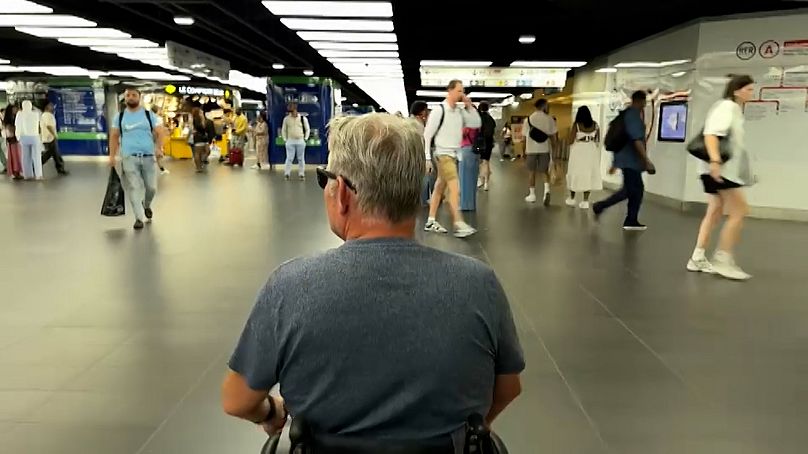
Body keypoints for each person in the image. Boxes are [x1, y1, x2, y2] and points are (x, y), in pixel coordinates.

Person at [221, 113, 524, 449]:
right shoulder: (478, 284)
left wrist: (271, 414)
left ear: (343, 194)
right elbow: (508, 388)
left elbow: (238, 399)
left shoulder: (291, 285)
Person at [687, 75, 756, 280]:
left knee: (715, 211)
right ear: (736, 90)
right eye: (749, 89)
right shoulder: (727, 107)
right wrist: (716, 162)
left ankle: (697, 257)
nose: (751, 93)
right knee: (740, 210)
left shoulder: (731, 109)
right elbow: (710, 134)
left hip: (716, 169)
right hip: (718, 170)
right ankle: (723, 259)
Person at [423, 80, 481, 238]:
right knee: (455, 188)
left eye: (463, 91)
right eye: (459, 91)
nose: (461, 94)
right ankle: (458, 223)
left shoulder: (459, 112)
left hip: (454, 154)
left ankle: (431, 220)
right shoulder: (439, 110)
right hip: (443, 154)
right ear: (449, 90)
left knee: (440, 187)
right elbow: (427, 135)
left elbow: (476, 123)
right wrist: (427, 157)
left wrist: (469, 106)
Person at [592, 91, 655, 230]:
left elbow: (621, 139)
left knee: (633, 190)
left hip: (626, 160)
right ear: (641, 101)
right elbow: (636, 140)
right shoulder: (633, 117)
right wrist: (646, 161)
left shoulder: (625, 114)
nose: (644, 105)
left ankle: (630, 219)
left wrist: (615, 163)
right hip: (631, 162)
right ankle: (605, 207)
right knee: (632, 190)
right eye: (644, 102)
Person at [109, 88, 165, 230]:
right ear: (125, 98)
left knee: (151, 188)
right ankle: (138, 218)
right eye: (128, 95)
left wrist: (159, 148)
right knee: (133, 187)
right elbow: (114, 136)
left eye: (134, 95)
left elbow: (160, 132)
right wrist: (112, 156)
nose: (131, 97)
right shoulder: (119, 117)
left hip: (148, 157)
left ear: (139, 97)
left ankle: (146, 204)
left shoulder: (148, 115)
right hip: (129, 157)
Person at [523, 99, 558, 205]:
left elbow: (524, 138)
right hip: (544, 149)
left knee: (531, 172)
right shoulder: (549, 119)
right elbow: (553, 137)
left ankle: (532, 195)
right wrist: (555, 150)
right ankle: (547, 190)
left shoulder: (528, 120)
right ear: (544, 106)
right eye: (547, 106)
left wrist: (523, 151)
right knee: (544, 171)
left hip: (531, 150)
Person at [565, 106, 601, 209]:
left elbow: (570, 141)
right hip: (591, 150)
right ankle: (585, 201)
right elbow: (597, 140)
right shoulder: (595, 125)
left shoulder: (577, 125)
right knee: (588, 173)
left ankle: (572, 198)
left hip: (578, 150)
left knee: (574, 172)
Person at [15, 100, 43, 181]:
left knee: (25, 157)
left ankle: (27, 175)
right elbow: (40, 114)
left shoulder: (20, 114)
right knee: (37, 157)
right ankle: (39, 175)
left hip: (24, 137)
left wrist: (18, 137)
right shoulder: (36, 114)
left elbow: (17, 126)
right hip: (35, 137)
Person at [281, 102, 310, 180]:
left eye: (291, 108)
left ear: (295, 109)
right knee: (289, 158)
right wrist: (285, 140)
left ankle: (301, 174)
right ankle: (287, 174)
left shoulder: (303, 119)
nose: (290, 111)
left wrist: (305, 139)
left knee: (301, 158)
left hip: (300, 140)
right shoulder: (286, 119)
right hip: (290, 141)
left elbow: (307, 129)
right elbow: (284, 130)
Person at [40, 101, 68, 176]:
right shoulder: (47, 115)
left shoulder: (46, 115)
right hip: (50, 138)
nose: (52, 107)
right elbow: (49, 126)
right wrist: (54, 135)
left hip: (48, 137)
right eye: (51, 105)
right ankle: (37, 165)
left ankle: (60, 168)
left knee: (54, 154)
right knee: (51, 153)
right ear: (47, 106)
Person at [458, 126, 480, 211]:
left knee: (464, 179)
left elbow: (462, 133)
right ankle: (471, 204)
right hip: (475, 150)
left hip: (466, 149)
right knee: (472, 179)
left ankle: (465, 205)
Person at [477, 101, 496, 191]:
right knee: (486, 162)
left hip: (480, 141)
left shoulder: (478, 118)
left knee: (480, 162)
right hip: (489, 142)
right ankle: (486, 183)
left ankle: (481, 180)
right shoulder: (491, 118)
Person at [3, 104, 22, 179]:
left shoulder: (9, 118)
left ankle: (16, 172)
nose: (16, 110)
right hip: (13, 139)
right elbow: (10, 129)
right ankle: (16, 172)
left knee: (14, 156)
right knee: (16, 156)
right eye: (14, 109)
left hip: (11, 139)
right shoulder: (10, 119)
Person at [150, 105, 169, 175]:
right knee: (158, 155)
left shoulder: (148, 118)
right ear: (157, 111)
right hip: (156, 138)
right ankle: (161, 169)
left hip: (149, 138)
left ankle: (161, 169)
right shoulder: (158, 119)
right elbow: (160, 130)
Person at [190, 107, 209, 173]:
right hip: (199, 137)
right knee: (198, 153)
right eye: (201, 112)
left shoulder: (201, 119)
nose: (202, 113)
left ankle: (201, 162)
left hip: (203, 137)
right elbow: (201, 127)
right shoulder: (196, 119)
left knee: (207, 151)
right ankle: (198, 167)